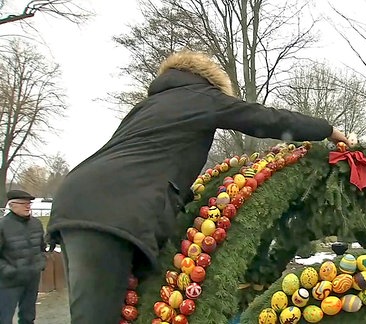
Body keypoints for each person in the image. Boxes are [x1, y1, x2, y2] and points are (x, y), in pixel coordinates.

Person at [46, 50, 350, 324]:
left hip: (80, 200)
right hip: (112, 213)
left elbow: (151, 162)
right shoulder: (201, 96)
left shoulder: (148, 107)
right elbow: (264, 118)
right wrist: (326, 130)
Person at [0, 190, 46, 324]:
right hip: (9, 281)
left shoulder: (36, 224)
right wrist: (8, 270)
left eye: (29, 203)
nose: (28, 206)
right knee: (4, 317)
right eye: (23, 203)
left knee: (28, 316)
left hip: (32, 278)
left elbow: (41, 247)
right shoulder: (2, 226)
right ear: (12, 205)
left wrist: (41, 262)